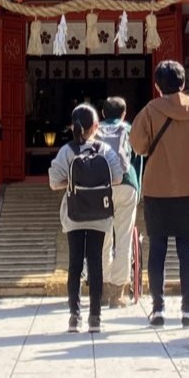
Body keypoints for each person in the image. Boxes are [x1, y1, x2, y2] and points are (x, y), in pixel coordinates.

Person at [128, 59, 189, 328]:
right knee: (186, 247)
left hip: (158, 188)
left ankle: (158, 309)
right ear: (182, 83)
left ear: (157, 86)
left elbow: (139, 145)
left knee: (157, 247)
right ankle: (188, 310)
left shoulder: (150, 110)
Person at [47, 103, 124, 334]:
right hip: (100, 214)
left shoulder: (67, 151)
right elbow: (118, 178)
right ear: (95, 126)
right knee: (96, 264)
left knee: (74, 263)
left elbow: (53, 183)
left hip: (74, 213)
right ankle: (95, 318)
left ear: (74, 125)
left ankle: (74, 317)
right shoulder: (104, 150)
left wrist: (71, 183)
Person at [96, 96, 139, 307]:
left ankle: (102, 290)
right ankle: (118, 292)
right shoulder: (129, 128)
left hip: (100, 186)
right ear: (124, 113)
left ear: (102, 113)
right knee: (124, 237)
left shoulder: (95, 129)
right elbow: (138, 157)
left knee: (102, 238)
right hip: (126, 183)